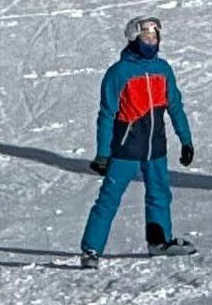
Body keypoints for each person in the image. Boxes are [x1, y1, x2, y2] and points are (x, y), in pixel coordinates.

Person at [80, 16, 194, 267]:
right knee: (109, 198)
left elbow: (175, 106)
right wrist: (102, 153)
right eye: (145, 37)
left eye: (154, 37)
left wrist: (186, 140)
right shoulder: (119, 72)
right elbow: (107, 114)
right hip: (125, 148)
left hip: (155, 147)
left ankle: (159, 241)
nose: (151, 41)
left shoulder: (163, 69)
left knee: (159, 194)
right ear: (134, 38)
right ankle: (91, 250)